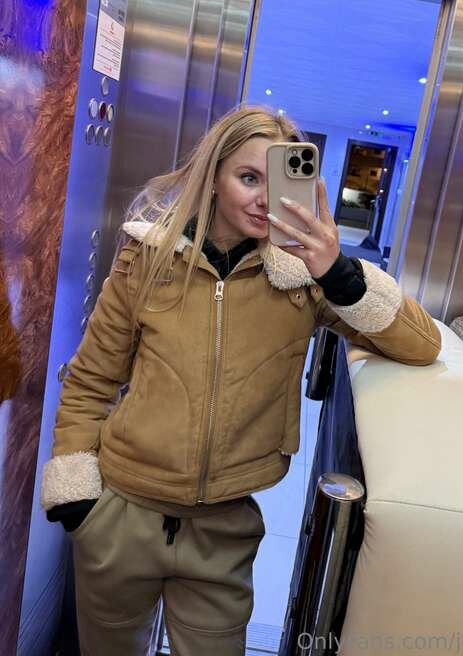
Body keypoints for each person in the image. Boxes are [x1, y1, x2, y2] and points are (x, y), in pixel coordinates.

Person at [40, 104, 441, 655]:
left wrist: (336, 270)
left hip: (224, 529)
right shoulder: (147, 259)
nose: (262, 198)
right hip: (120, 514)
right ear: (213, 178)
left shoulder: (302, 278)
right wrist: (79, 503)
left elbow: (422, 345)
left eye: (276, 181)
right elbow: (90, 380)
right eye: (248, 177)